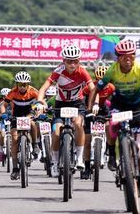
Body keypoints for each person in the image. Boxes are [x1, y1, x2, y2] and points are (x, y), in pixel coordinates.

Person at [92, 39, 140, 201]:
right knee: (112, 124)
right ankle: (111, 153)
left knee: (139, 146)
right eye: (123, 56)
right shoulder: (112, 70)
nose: (127, 59)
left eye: (131, 56)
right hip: (118, 105)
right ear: (118, 58)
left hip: (136, 106)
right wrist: (92, 108)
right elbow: (97, 89)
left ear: (134, 56)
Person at [37, 45, 97, 179]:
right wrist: (40, 102)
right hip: (60, 103)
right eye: (69, 61)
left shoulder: (82, 71)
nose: (72, 64)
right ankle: (55, 162)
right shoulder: (58, 71)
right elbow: (43, 89)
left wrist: (93, 104)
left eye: (75, 60)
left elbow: (93, 89)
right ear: (63, 61)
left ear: (79, 60)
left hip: (77, 103)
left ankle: (80, 158)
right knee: (57, 131)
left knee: (78, 124)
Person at [0, 71, 40, 180]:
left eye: (24, 84)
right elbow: (4, 105)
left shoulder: (33, 91)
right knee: (14, 140)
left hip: (28, 113)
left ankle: (35, 144)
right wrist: (3, 114)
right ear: (16, 84)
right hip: (16, 115)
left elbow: (42, 102)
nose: (22, 87)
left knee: (32, 123)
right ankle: (15, 169)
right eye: (19, 84)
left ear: (28, 84)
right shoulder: (12, 92)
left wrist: (39, 110)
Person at [81, 64, 114, 179]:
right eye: (99, 81)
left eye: (104, 81)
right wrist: (84, 110)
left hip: (103, 109)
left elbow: (116, 100)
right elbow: (81, 99)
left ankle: (110, 150)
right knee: (87, 140)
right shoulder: (89, 87)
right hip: (89, 109)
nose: (102, 84)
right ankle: (86, 167)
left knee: (109, 126)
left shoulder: (111, 87)